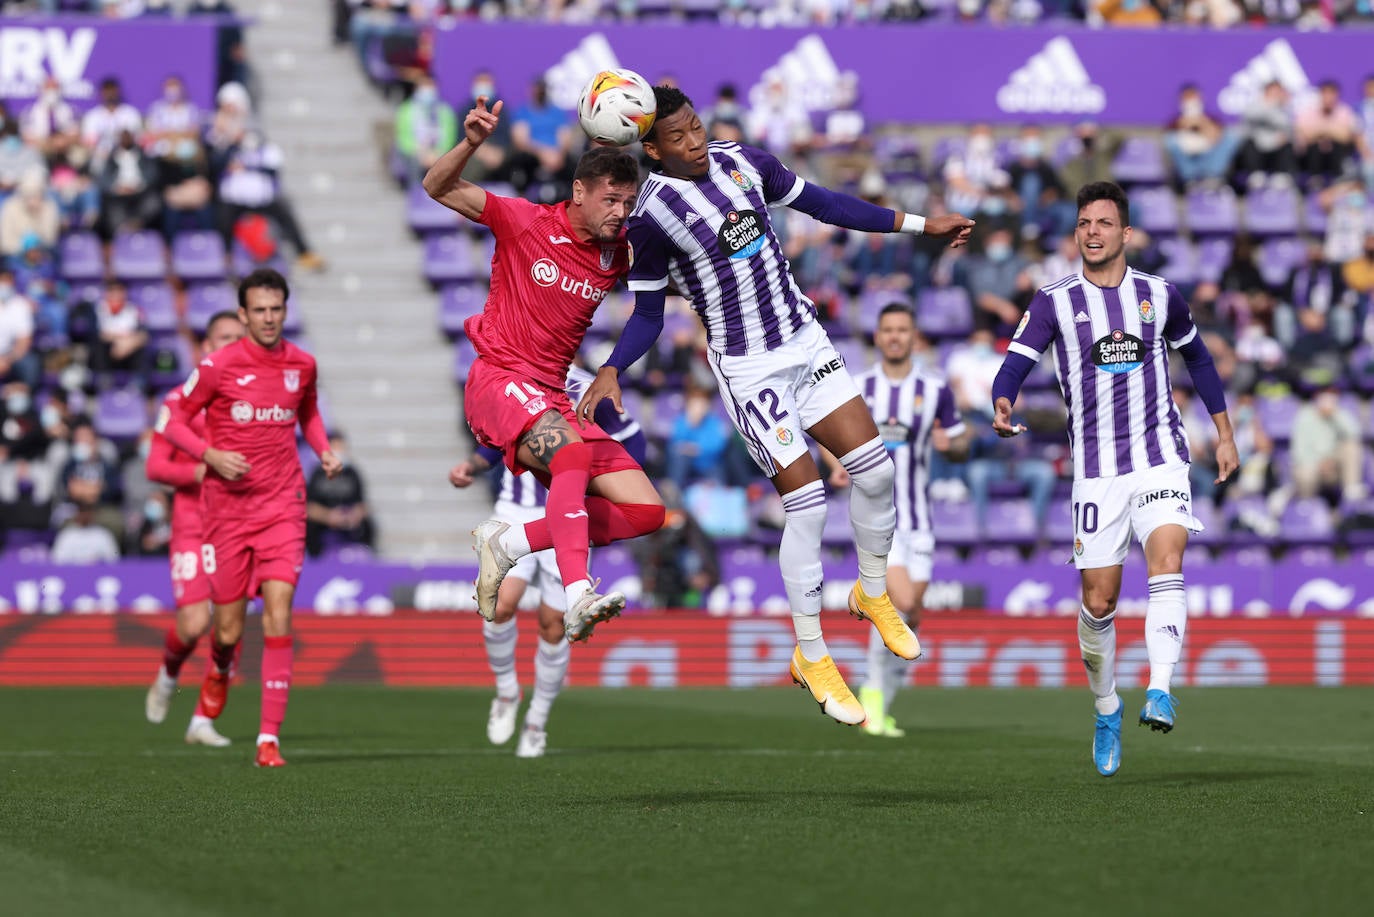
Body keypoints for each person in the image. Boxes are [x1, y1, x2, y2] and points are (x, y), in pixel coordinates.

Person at [575, 85, 973, 726]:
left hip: (804, 340)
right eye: (678, 138)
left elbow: (828, 205)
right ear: (650, 148)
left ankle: (873, 594)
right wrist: (614, 368)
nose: (695, 141)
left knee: (876, 471)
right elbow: (649, 310)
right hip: (749, 366)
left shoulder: (746, 163)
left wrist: (924, 226)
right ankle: (812, 656)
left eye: (698, 127)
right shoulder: (650, 217)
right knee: (809, 505)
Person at [990, 181, 1238, 777]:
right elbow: (1018, 358)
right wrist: (1002, 399)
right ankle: (1107, 707)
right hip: (1097, 471)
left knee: (1167, 559)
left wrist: (1224, 432)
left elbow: (1198, 357)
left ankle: (1160, 688)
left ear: (1125, 234)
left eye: (1104, 223)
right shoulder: (1054, 301)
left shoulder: (1159, 296)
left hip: (1160, 455)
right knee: (1098, 601)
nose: (1093, 232)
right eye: (1083, 223)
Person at [421, 97, 665, 642]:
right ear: (578, 192)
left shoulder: (620, 252)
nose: (620, 212)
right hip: (498, 380)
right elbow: (436, 187)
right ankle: (578, 593)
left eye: (628, 202)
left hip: (551, 395)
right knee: (573, 455)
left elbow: (660, 294)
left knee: (648, 512)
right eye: (610, 200)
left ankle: (508, 543)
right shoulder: (523, 221)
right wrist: (472, 145)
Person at [159, 269, 342, 767]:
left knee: (280, 612)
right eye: (259, 310)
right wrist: (209, 457)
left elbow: (308, 413)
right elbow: (169, 420)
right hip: (227, 513)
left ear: (285, 310)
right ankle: (219, 669)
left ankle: (268, 739)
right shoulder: (218, 366)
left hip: (283, 505)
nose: (268, 318)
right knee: (227, 631)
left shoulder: (302, 365)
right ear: (243, 315)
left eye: (276, 309)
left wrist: (322, 450)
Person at [448, 364, 646, 759]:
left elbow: (632, 441)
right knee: (500, 605)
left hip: (571, 517)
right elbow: (497, 439)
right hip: (516, 511)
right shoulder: (516, 373)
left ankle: (537, 720)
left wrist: (618, 478)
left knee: (554, 626)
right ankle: (507, 691)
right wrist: (472, 465)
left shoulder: (586, 386)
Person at [839, 303, 968, 738]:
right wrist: (837, 462)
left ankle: (880, 705)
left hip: (921, 520)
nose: (895, 337)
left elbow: (960, 439)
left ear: (914, 337)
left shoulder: (935, 390)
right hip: (879, 519)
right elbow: (823, 429)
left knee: (910, 619)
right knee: (902, 604)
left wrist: (952, 443)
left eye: (902, 330)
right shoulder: (858, 388)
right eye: (888, 330)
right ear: (877, 337)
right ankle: (872, 697)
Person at [143, 310, 245, 747]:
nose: (231, 345)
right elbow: (155, 466)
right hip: (191, 524)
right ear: (205, 347)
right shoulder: (179, 401)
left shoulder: (252, 400)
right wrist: (201, 472)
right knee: (193, 624)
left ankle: (202, 720)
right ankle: (167, 674)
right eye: (223, 338)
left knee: (230, 628)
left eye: (237, 339)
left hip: (237, 526)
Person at [305, 431, 376, 556]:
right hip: (324, 519)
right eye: (336, 447)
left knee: (368, 524)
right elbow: (309, 507)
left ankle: (366, 556)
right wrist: (328, 517)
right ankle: (314, 559)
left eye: (341, 447)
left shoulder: (352, 473)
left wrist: (354, 515)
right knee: (309, 526)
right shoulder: (317, 473)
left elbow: (363, 505)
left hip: (347, 519)